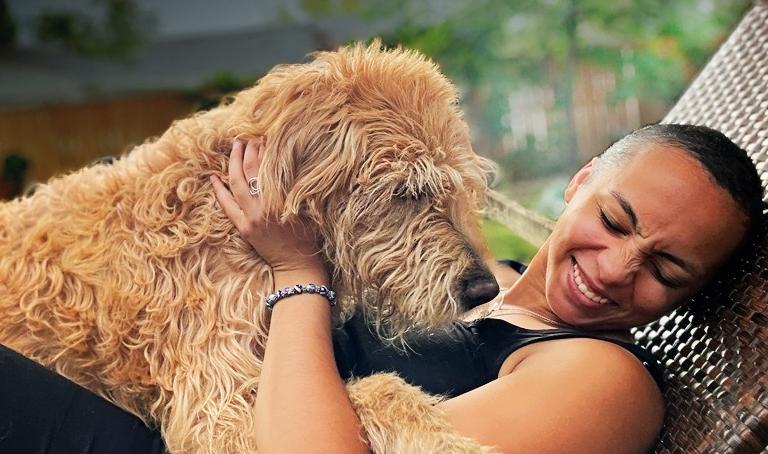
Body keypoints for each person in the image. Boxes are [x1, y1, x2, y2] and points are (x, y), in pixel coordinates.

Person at [0, 123, 763, 453]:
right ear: (582, 180)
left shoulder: (603, 379)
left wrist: (296, 273)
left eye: (668, 270)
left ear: (692, 293)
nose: (615, 268)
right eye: (616, 219)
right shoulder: (472, 277)